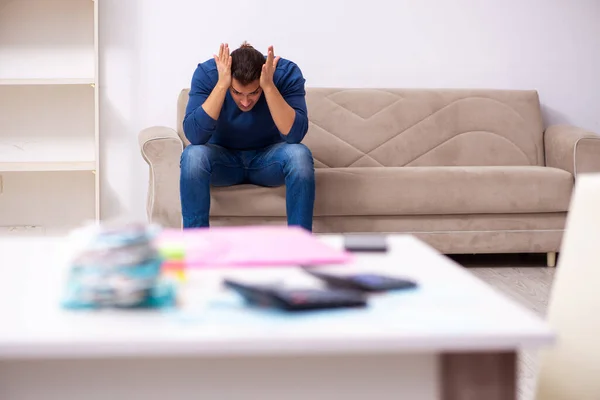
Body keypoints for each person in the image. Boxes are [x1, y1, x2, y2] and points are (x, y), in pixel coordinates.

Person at [180, 42, 315, 231]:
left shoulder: (284, 73)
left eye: (253, 93)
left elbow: (294, 136)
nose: (245, 101)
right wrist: (222, 85)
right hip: (222, 162)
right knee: (193, 156)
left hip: (268, 162)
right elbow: (195, 137)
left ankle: (301, 246)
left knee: (299, 155)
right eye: (237, 92)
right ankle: (196, 247)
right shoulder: (209, 74)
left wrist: (268, 86)